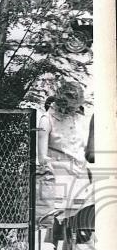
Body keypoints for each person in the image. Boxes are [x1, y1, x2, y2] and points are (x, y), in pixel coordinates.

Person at [36, 81, 92, 222]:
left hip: (80, 179)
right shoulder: (46, 120)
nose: (75, 110)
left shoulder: (78, 119)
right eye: (71, 107)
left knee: (79, 228)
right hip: (59, 183)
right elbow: (42, 158)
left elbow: (83, 148)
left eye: (76, 107)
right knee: (55, 227)